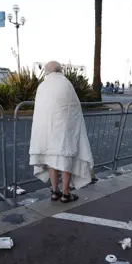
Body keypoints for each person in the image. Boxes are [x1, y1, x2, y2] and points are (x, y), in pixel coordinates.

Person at [29, 61, 94, 203]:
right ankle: (65, 193)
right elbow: (75, 109)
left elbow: (39, 112)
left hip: (46, 133)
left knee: (51, 159)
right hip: (64, 131)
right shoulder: (66, 84)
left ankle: (54, 191)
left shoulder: (42, 86)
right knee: (65, 159)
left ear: (47, 72)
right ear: (60, 70)